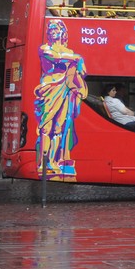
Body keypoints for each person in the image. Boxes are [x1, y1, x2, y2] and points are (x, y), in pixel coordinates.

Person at [34, 19, 87, 177]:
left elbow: (75, 74)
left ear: (63, 32)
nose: (52, 31)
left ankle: (53, 161)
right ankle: (43, 162)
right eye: (50, 28)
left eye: (56, 28)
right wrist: (78, 58)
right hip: (49, 89)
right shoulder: (45, 48)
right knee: (46, 127)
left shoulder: (69, 52)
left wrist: (79, 87)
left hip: (64, 91)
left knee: (58, 127)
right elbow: (57, 58)